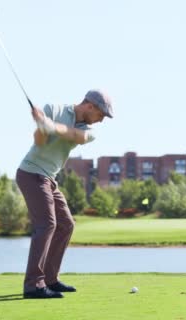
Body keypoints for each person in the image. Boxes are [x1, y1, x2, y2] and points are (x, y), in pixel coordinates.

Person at [16, 89, 113, 299]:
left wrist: (51, 126)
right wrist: (41, 126)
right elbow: (39, 142)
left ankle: (50, 279)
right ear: (90, 106)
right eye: (101, 115)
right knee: (47, 225)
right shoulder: (54, 109)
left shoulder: (89, 130)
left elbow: (74, 136)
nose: (101, 121)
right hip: (31, 172)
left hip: (49, 178)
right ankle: (33, 285)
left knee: (66, 224)